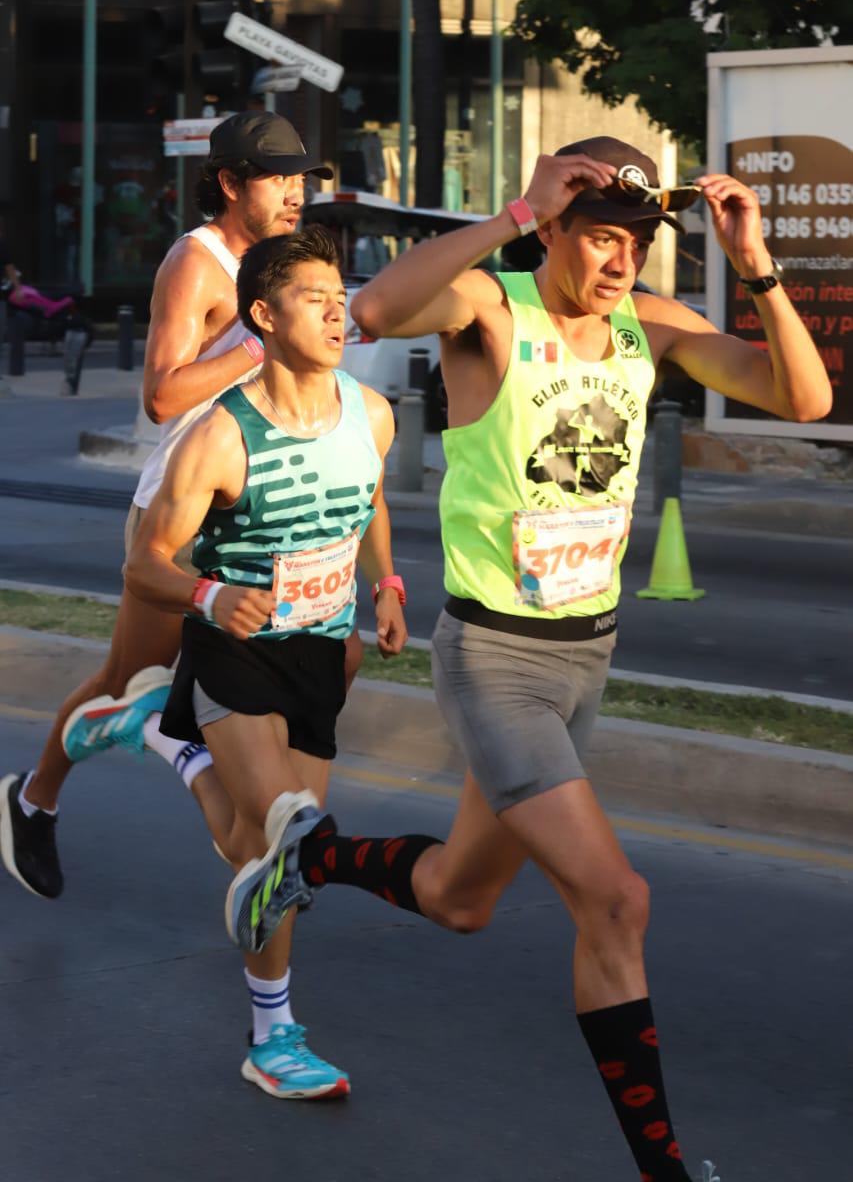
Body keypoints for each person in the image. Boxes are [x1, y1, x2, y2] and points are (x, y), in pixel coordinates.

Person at [207, 138, 830, 1175]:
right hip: (495, 659)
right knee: (616, 898)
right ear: (553, 225)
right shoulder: (490, 308)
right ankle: (665, 1165)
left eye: (634, 240)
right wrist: (508, 214)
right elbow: (370, 313)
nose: (621, 259)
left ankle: (303, 858)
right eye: (598, 235)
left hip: (587, 655)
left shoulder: (651, 326)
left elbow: (802, 399)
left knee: (461, 896)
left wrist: (754, 262)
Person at [0, 111, 363, 1095]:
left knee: (240, 748)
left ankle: (262, 950)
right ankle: (33, 798)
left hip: (267, 516)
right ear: (231, 183)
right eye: (278, 181)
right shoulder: (198, 264)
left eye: (303, 181)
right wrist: (259, 344)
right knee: (125, 678)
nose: (294, 196)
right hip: (183, 515)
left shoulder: (294, 264)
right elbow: (162, 395)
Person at [125, 224, 407, 1097]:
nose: (338, 310)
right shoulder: (218, 437)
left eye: (340, 292)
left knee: (267, 855)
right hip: (235, 652)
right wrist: (208, 597)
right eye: (314, 297)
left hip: (323, 655)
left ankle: (164, 741)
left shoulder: (372, 413)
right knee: (286, 828)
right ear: (261, 315)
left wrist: (386, 584)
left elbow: (369, 501)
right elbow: (145, 564)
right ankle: (274, 1037)